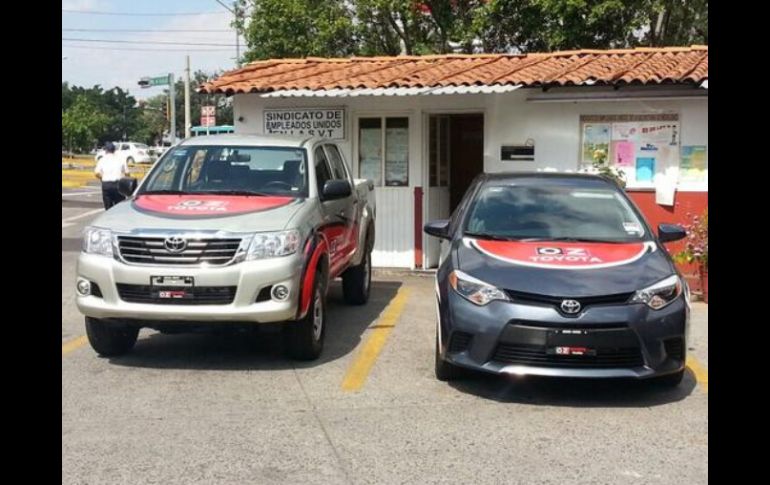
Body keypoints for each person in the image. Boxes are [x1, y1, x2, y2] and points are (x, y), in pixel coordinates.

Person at [94, 142, 129, 209]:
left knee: (108, 208)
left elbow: (96, 173)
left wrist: (102, 178)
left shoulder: (102, 160)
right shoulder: (121, 159)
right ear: (114, 150)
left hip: (106, 185)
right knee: (119, 207)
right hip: (118, 185)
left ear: (106, 150)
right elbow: (127, 173)